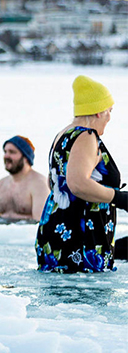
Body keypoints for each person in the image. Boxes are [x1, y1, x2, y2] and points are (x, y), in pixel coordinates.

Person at [36, 76, 125, 273]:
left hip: (58, 229)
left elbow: (53, 183)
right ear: (98, 112)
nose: (110, 116)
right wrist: (120, 198)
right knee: (84, 302)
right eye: (109, 110)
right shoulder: (86, 136)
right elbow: (77, 184)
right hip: (81, 237)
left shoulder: (63, 135)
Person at [0, 136, 49, 222]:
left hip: (25, 234)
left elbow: (40, 223)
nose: (6, 156)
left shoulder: (39, 184)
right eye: (5, 152)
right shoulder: (1, 183)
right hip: (1, 232)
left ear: (26, 157)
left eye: (12, 152)